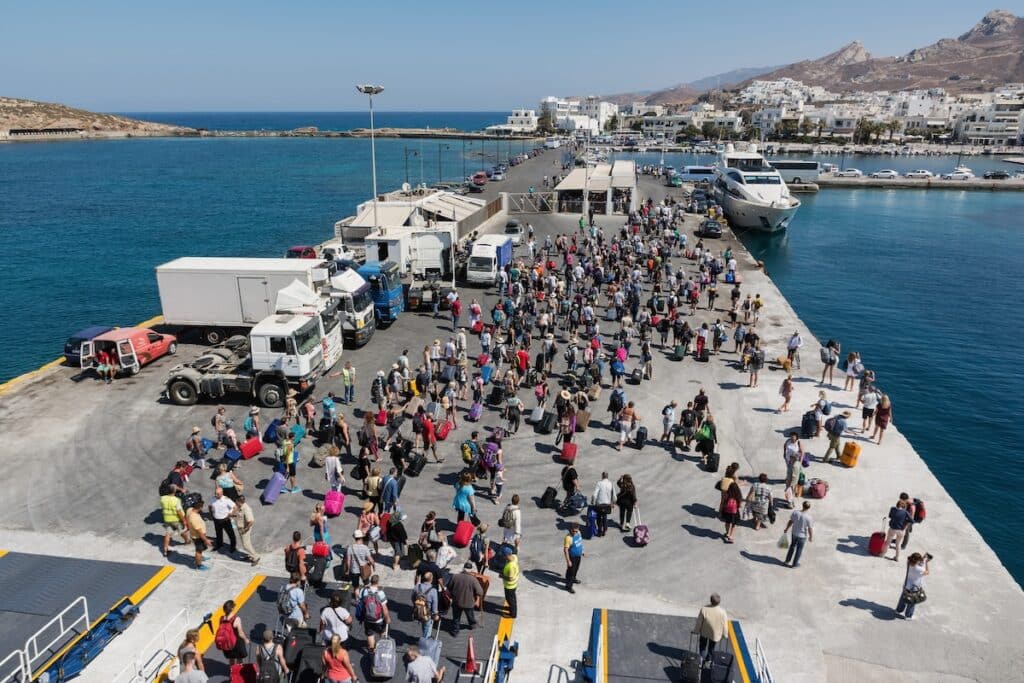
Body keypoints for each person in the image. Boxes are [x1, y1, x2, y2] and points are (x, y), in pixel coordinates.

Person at [692, 594, 728, 670]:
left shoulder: (704, 609)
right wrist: (725, 635)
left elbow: (699, 622)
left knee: (702, 646)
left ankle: (701, 659)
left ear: (710, 601)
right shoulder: (723, 612)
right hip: (715, 635)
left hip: (704, 633)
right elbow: (725, 625)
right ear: (719, 602)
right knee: (711, 648)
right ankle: (708, 660)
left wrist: (695, 631)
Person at [447, 562, 485, 634]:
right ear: (471, 570)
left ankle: (455, 630)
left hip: (456, 602)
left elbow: (449, 587)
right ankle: (472, 625)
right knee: (470, 615)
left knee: (456, 618)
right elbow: (480, 592)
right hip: (469, 603)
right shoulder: (473, 580)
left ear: (463, 568)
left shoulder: (455, 576)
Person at [357, 574, 390, 653]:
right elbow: (384, 608)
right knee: (382, 632)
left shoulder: (364, 591)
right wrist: (387, 618)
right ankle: (382, 649)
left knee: (370, 634)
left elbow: (360, 602)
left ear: (371, 581)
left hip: (367, 619)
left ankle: (372, 651)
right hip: (379, 620)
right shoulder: (380, 593)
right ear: (377, 582)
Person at [895, 552, 931, 621]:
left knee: (903, 599)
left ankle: (898, 610)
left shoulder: (909, 563)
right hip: (914, 588)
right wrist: (926, 563)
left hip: (906, 585)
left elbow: (918, 563)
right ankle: (908, 616)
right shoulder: (919, 569)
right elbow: (927, 572)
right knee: (912, 602)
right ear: (917, 560)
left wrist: (923, 558)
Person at [216, 599, 250, 666]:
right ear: (232, 608)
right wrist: (246, 639)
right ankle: (238, 671)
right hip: (237, 643)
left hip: (227, 643)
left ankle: (232, 670)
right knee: (239, 659)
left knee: (231, 658)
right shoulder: (236, 619)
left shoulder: (221, 618)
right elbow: (240, 633)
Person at [159, 483, 189, 557]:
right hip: (176, 519)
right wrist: (184, 520)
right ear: (174, 491)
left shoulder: (162, 498)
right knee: (182, 530)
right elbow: (179, 511)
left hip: (167, 519)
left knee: (168, 533)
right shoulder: (176, 500)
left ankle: (165, 551)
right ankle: (187, 541)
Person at [185, 496, 212, 570]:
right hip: (198, 537)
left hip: (194, 534)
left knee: (200, 549)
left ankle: (200, 558)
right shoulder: (195, 518)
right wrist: (206, 540)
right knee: (198, 551)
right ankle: (199, 565)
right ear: (200, 507)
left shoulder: (189, 510)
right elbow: (200, 533)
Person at [784, 501, 814, 568]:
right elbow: (810, 529)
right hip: (802, 536)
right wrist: (811, 537)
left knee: (792, 547)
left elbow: (790, 521)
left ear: (802, 505)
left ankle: (787, 561)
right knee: (799, 550)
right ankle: (795, 564)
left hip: (794, 533)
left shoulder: (795, 513)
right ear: (809, 508)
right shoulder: (809, 517)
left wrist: (786, 529)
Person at [412, 571, 440, 639]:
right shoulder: (433, 591)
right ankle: (424, 645)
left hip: (418, 611)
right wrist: (435, 615)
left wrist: (418, 606)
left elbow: (412, 598)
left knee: (423, 626)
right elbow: (434, 605)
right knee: (427, 631)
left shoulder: (417, 587)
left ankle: (423, 639)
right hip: (428, 614)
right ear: (431, 579)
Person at [234, 495, 261, 566]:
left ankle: (255, 557)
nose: (235, 502)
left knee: (246, 545)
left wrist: (245, 529)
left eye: (236, 501)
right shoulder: (240, 507)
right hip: (241, 528)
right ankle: (251, 555)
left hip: (245, 529)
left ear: (239, 502)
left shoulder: (246, 509)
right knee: (246, 543)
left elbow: (251, 521)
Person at [563, 523, 584, 593]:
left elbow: (580, 543)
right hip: (572, 557)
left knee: (576, 569)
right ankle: (568, 586)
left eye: (576, 531)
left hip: (578, 555)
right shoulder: (568, 538)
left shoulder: (579, 533)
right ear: (570, 530)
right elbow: (565, 550)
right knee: (571, 571)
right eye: (573, 531)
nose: (575, 532)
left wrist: (582, 551)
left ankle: (573, 578)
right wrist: (568, 561)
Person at [591, 473, 614, 537]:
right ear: (607, 476)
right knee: (605, 516)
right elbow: (614, 495)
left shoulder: (599, 483)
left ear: (602, 476)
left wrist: (593, 501)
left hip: (599, 504)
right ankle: (605, 530)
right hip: (607, 505)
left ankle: (600, 531)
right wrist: (613, 503)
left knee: (599, 517)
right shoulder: (611, 483)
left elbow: (595, 494)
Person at [501, 550, 520, 619]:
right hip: (514, 584)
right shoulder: (514, 557)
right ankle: (512, 608)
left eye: (504, 556)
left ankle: (513, 614)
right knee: (512, 598)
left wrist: (502, 576)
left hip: (510, 586)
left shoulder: (511, 566)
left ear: (507, 555)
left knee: (510, 599)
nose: (503, 557)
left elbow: (510, 578)